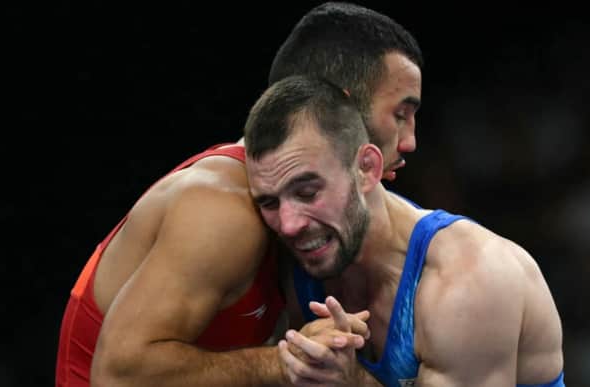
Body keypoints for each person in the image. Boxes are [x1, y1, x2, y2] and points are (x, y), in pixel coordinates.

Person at [56, 1, 416, 385]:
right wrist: (283, 363)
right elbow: (117, 375)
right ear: (338, 105)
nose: (410, 140)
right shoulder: (223, 211)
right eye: (400, 114)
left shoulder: (301, 218)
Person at [243, 75, 566, 386]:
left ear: (367, 169)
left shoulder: (470, 279)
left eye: (308, 193)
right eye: (270, 202)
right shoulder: (290, 261)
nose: (289, 224)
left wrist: (355, 383)